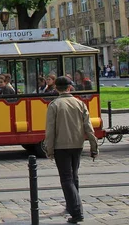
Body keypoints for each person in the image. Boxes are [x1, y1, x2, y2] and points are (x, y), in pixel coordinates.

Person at [45, 76, 98, 224]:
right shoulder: (80, 104)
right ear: (70, 88)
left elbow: (50, 130)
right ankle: (72, 206)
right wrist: (94, 147)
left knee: (66, 179)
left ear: (56, 88)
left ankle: (76, 211)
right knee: (74, 177)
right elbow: (89, 127)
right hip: (77, 145)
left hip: (61, 146)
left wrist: (49, 149)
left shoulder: (54, 105)